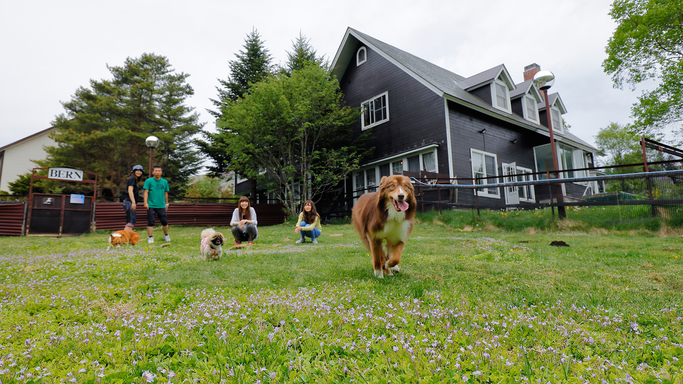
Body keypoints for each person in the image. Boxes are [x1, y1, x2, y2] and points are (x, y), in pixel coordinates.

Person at [143, 165, 171, 243]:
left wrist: (166, 204)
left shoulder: (164, 182)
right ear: (152, 172)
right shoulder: (148, 181)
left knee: (164, 221)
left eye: (159, 171)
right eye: (156, 171)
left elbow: (166, 193)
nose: (157, 172)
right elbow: (146, 192)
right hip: (151, 205)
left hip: (161, 205)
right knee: (150, 222)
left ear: (161, 172)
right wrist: (145, 202)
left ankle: (166, 235)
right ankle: (150, 237)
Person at [123, 165, 144, 231]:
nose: (139, 172)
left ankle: (127, 237)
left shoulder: (134, 179)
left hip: (129, 202)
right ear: (134, 172)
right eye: (137, 170)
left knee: (130, 221)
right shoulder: (132, 179)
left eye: (140, 171)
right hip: (129, 202)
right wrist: (133, 203)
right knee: (131, 222)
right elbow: (130, 191)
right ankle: (125, 237)